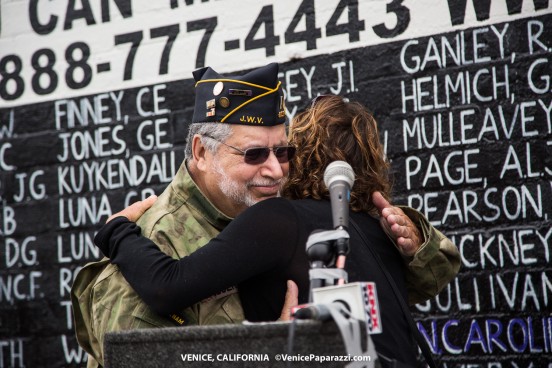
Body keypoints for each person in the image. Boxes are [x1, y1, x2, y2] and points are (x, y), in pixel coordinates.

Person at [71, 64, 460, 367]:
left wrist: (412, 238)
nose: (276, 170)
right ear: (202, 152)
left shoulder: (278, 208)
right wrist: (272, 351)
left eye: (285, 152)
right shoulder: (157, 241)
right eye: (254, 154)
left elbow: (420, 283)